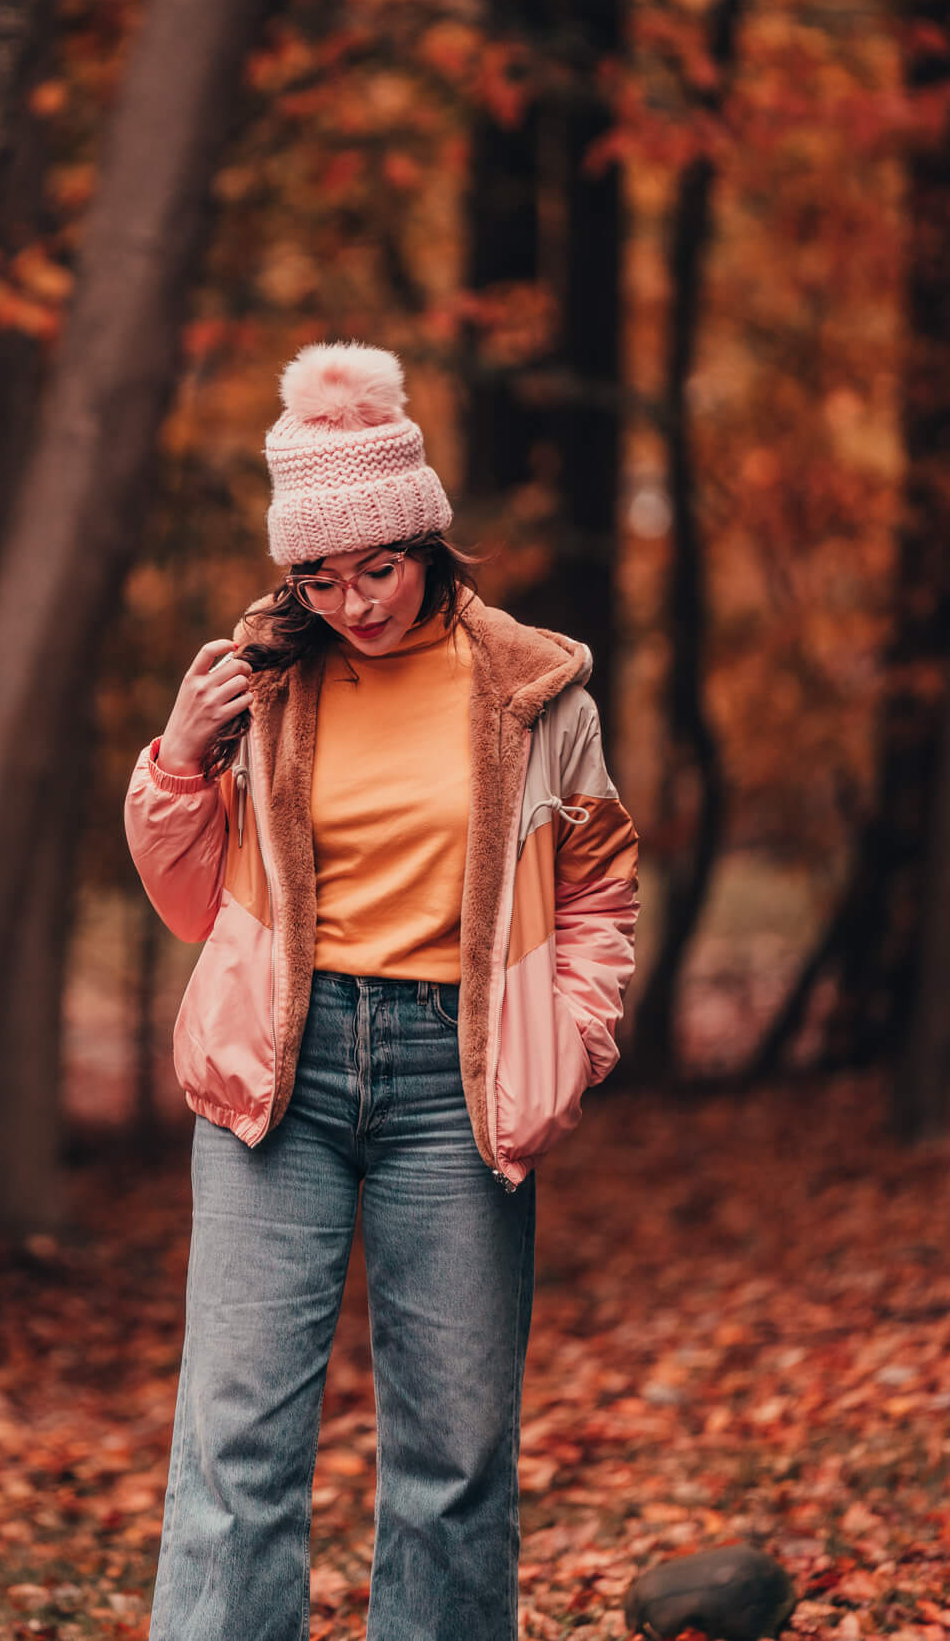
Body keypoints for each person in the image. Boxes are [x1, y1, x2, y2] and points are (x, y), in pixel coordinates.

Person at [124, 341, 639, 1641]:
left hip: (452, 1086)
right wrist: (180, 761)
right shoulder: (261, 683)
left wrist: (569, 1041)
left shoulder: (533, 692)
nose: (351, 601)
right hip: (277, 1079)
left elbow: (598, 889)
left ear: (427, 537)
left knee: (453, 1456)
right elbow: (193, 903)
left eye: (378, 566)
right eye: (319, 575)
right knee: (236, 1441)